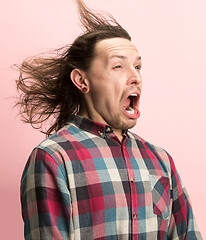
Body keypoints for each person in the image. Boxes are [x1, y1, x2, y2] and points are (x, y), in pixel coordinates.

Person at [17, 0, 202, 239]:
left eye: (138, 66)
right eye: (118, 66)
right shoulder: (53, 159)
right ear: (82, 81)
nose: (135, 76)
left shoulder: (161, 160)